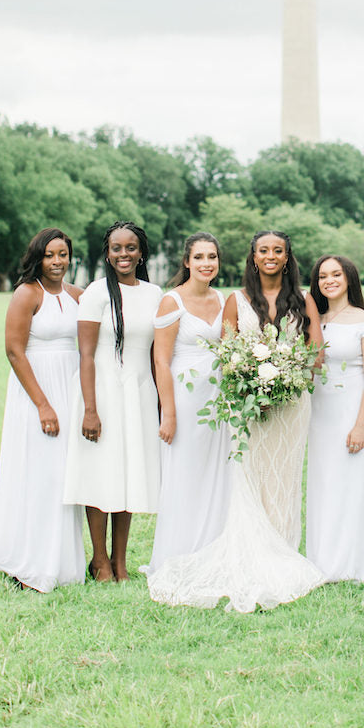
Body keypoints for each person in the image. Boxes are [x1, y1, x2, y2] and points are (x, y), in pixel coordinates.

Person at [147, 230, 325, 611]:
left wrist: (289, 380)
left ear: (288, 256)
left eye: (278, 250)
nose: (271, 256)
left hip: (292, 404)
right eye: (264, 250)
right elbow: (229, 355)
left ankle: (283, 547)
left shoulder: (304, 299)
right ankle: (248, 546)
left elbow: (315, 350)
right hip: (246, 404)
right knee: (249, 473)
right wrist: (251, 386)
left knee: (285, 475)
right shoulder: (236, 300)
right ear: (253, 256)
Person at [0, 228, 85, 592]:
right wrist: (43, 405)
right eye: (50, 255)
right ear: (38, 257)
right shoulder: (27, 294)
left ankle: (64, 562)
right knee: (40, 474)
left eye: (63, 254)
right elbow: (15, 351)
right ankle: (28, 561)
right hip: (38, 393)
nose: (57, 262)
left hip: (71, 390)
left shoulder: (77, 295)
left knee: (65, 477)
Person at [63, 221, 162, 582]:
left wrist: (161, 401)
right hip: (102, 391)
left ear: (141, 252)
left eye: (131, 247)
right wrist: (90, 409)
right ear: (107, 252)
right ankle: (100, 559)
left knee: (130, 472)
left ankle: (121, 561)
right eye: (117, 248)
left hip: (138, 392)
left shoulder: (154, 294)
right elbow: (86, 355)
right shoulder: (95, 293)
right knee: (100, 471)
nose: (124, 254)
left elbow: (156, 352)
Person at [143, 233, 231, 575]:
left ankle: (213, 547)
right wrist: (169, 412)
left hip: (218, 397)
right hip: (184, 396)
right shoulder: (171, 302)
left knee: (217, 471)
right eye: (199, 257)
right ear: (187, 262)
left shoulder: (223, 298)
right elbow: (161, 360)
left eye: (212, 257)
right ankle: (179, 553)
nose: (206, 263)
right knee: (185, 472)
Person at [306, 255, 364, 583]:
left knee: (350, 483)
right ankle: (320, 559)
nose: (329, 281)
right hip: (319, 412)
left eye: (336, 274)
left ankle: (353, 561)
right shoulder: (314, 319)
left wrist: (361, 424)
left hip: (351, 408)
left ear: (348, 278)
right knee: (324, 483)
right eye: (323, 276)